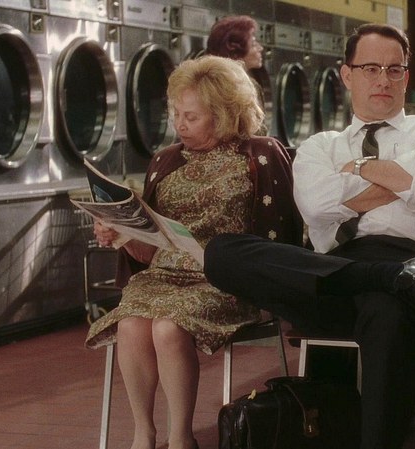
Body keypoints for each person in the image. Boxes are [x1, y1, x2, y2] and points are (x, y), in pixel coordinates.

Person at [203, 23, 415, 449]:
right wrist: (409, 181)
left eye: (395, 69)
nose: (383, 79)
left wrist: (360, 169)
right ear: (347, 75)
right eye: (370, 68)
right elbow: (316, 204)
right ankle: (391, 279)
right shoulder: (319, 146)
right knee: (221, 252)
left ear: (406, 76)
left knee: (387, 312)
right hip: (335, 275)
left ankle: (395, 282)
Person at [85, 55, 301, 449]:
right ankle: (143, 434)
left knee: (168, 327)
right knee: (131, 324)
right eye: (176, 115)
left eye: (192, 117)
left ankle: (181, 437)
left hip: (228, 278)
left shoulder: (260, 153)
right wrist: (120, 232)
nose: (180, 125)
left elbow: (282, 238)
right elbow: (149, 248)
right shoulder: (165, 160)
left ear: (224, 115)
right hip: (163, 276)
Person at [206, 15, 269, 135]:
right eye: (253, 44)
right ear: (235, 51)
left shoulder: (207, 84)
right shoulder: (242, 89)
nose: (260, 48)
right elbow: (253, 134)